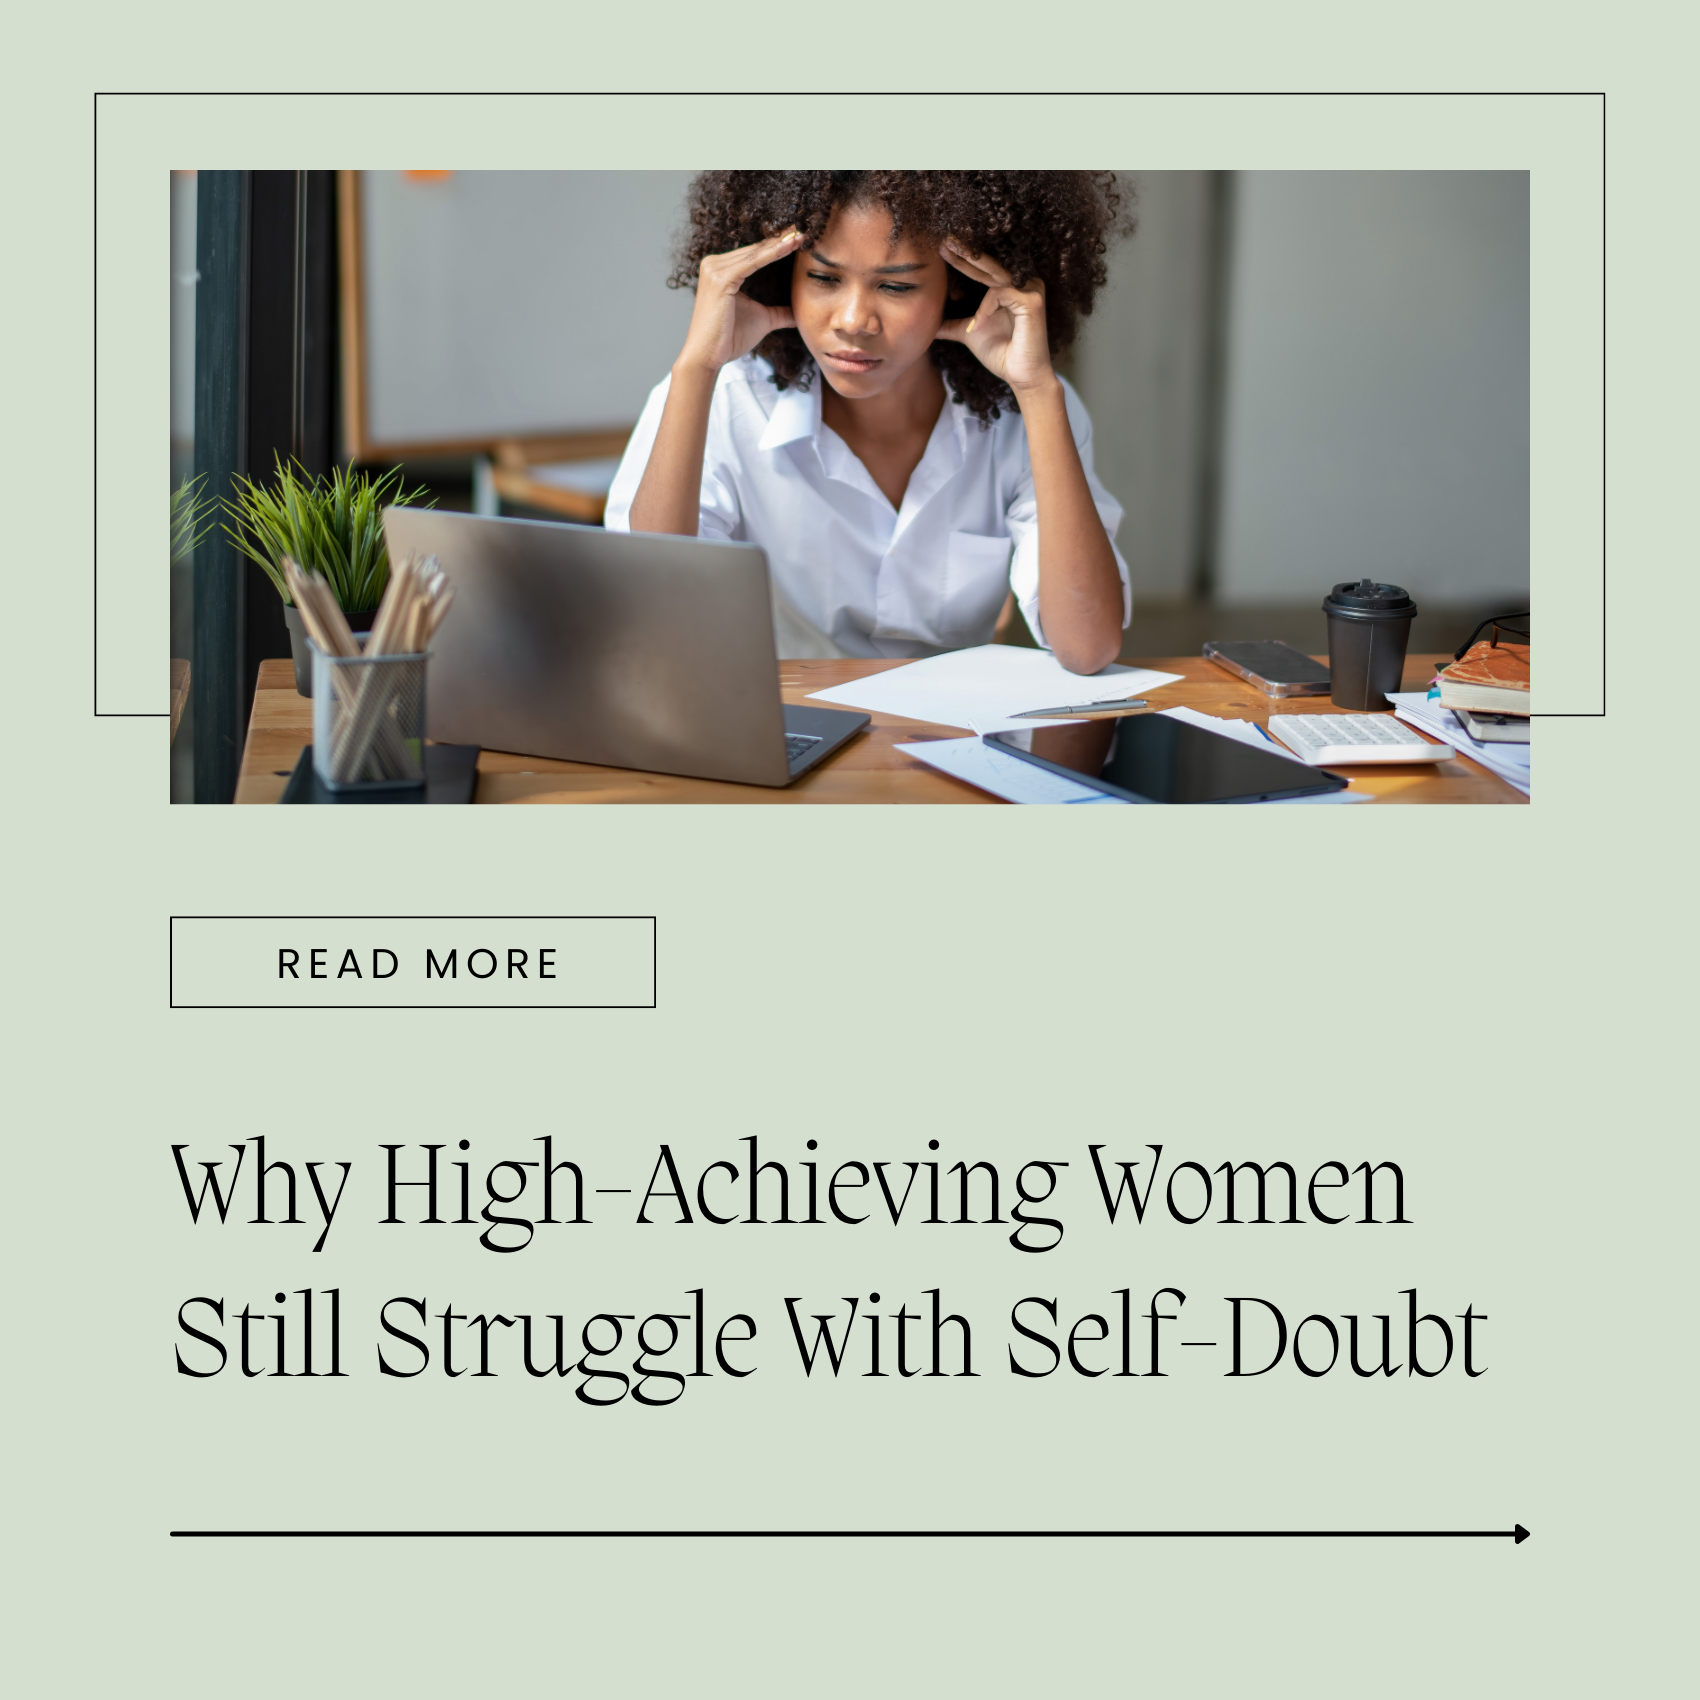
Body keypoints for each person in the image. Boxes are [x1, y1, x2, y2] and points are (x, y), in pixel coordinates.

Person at [604, 171, 1133, 675]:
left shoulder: (1022, 418)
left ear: (959, 283)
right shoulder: (726, 400)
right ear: (784, 275)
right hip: (783, 730)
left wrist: (1038, 392)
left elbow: (1087, 647)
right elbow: (656, 617)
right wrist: (696, 367)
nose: (854, 321)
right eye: (823, 277)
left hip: (948, 743)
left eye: (896, 287)